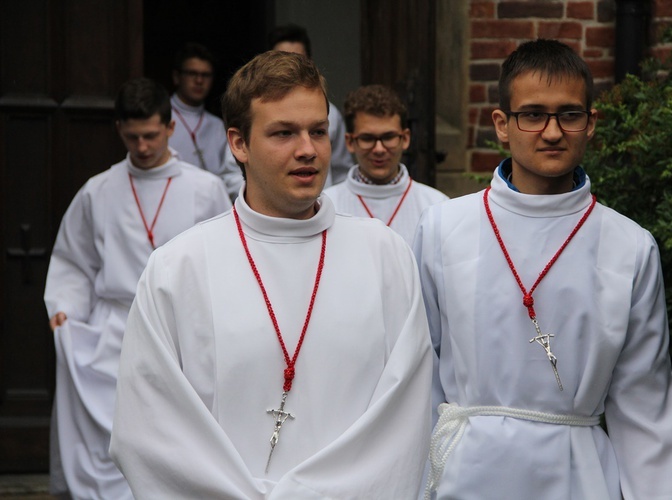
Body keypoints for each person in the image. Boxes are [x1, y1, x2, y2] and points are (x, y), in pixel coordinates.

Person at [109, 51, 432, 499]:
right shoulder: (178, 268)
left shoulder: (385, 256)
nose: (307, 149)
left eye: (318, 131)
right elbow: (149, 426)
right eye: (283, 132)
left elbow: (405, 417)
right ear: (238, 143)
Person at [415, 39, 672, 499]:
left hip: (577, 475)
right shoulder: (443, 228)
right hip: (465, 472)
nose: (553, 132)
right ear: (502, 123)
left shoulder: (629, 247)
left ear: (591, 123)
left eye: (570, 114)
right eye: (533, 114)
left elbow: (644, 404)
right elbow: (422, 378)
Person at [43, 77, 230, 499]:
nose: (142, 147)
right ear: (119, 132)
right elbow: (75, 260)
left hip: (181, 327)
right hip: (114, 327)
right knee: (106, 431)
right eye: (132, 137)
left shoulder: (206, 189)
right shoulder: (99, 190)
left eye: (150, 135)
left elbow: (224, 259)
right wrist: (65, 307)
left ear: (169, 128)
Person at [324, 84, 448, 245]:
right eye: (367, 139)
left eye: (388, 137)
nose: (379, 149)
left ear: (405, 138)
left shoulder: (436, 205)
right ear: (350, 142)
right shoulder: (326, 205)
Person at [268, 23, 352, 187]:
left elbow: (341, 171)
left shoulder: (330, 114)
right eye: (283, 133)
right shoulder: (254, 110)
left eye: (318, 132)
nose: (290, 66)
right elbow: (234, 173)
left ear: (310, 61)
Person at [171, 41, 244, 199]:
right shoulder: (162, 118)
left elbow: (229, 174)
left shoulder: (217, 125)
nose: (199, 81)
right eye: (192, 73)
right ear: (177, 77)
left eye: (205, 75)